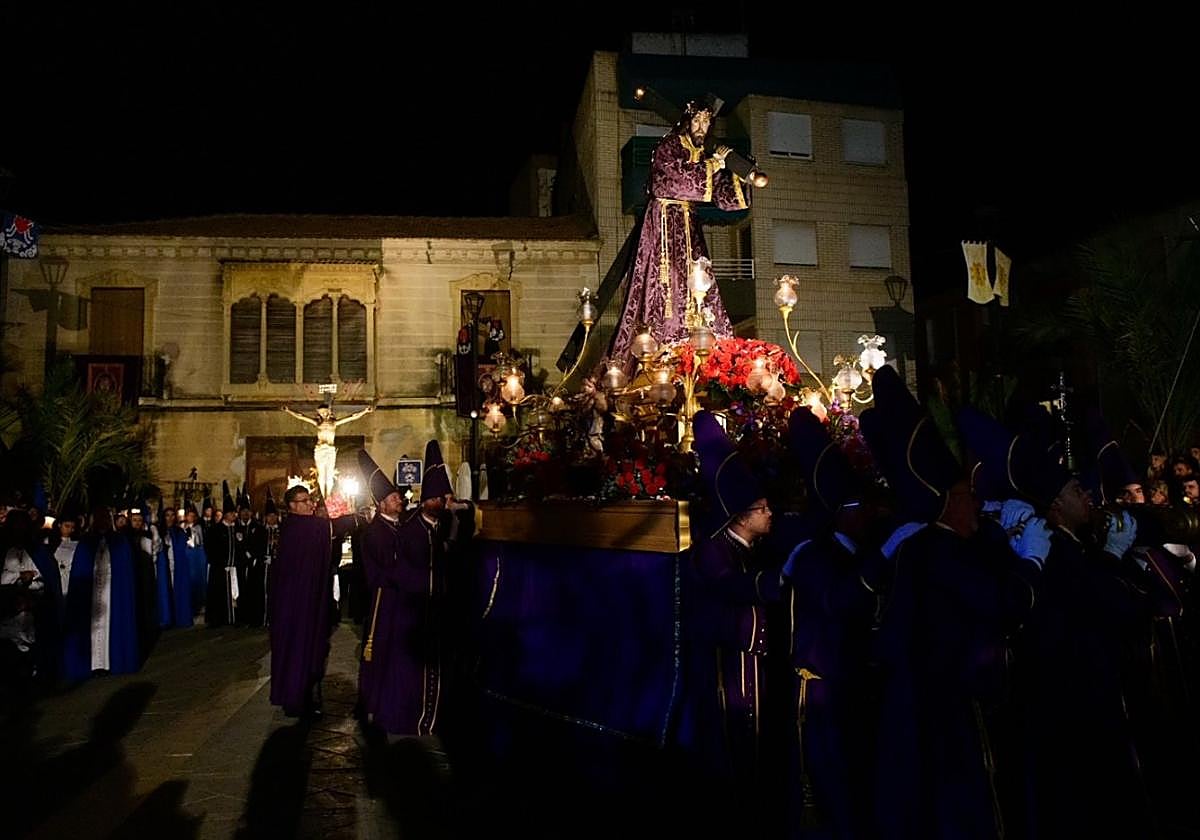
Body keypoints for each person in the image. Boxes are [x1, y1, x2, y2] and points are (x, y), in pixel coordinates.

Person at [676, 411, 782, 824]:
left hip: (749, 667)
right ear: (740, 516)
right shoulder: (713, 551)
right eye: (761, 508)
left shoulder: (752, 550)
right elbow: (726, 591)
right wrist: (774, 584)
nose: (769, 513)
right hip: (723, 671)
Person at [608, 96, 755, 365]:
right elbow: (674, 180)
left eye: (707, 122)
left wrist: (738, 172)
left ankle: (707, 353)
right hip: (664, 223)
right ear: (687, 121)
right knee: (665, 284)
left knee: (699, 282)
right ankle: (660, 349)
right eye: (697, 120)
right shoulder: (669, 146)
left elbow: (723, 197)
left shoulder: (704, 154)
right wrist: (712, 165)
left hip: (688, 224)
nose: (701, 127)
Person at [269, 483, 358, 717]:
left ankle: (306, 693)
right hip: (295, 602)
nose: (310, 504)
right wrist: (358, 517)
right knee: (298, 647)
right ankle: (296, 696)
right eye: (304, 501)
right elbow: (331, 527)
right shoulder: (299, 527)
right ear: (291, 506)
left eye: (310, 500)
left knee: (314, 646)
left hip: (309, 598)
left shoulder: (306, 526)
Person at [281, 403, 374, 500]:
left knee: (329, 474)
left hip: (330, 450)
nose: (323, 414)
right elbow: (301, 417)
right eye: (321, 413)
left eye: (324, 412)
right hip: (320, 449)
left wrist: (365, 411)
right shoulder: (318, 423)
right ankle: (322, 496)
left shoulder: (334, 423)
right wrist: (288, 410)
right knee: (321, 474)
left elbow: (351, 417)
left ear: (328, 412)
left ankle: (328, 496)